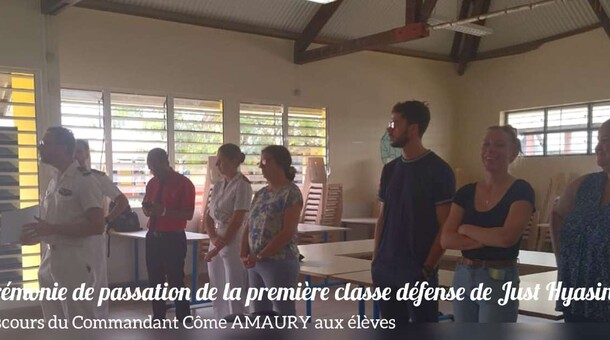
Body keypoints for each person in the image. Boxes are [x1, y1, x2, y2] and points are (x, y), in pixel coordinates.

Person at [372, 100, 455, 324]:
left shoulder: (438, 170)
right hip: (386, 268)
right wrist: (376, 259)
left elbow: (445, 226)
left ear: (413, 128)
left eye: (396, 123)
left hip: (417, 270)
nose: (390, 129)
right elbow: (382, 218)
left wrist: (428, 267)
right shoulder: (390, 170)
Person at [441, 125, 535, 322]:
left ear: (513, 152)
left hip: (499, 278)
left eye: (499, 145)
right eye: (486, 144)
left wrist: (466, 229)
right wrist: (489, 238)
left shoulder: (521, 190)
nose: (490, 150)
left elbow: (507, 238)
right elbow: (447, 239)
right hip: (464, 276)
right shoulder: (465, 192)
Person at [21, 127, 107, 320]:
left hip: (74, 260)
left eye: (45, 143)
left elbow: (97, 225)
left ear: (63, 148)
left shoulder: (84, 180)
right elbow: (54, 221)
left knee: (80, 322)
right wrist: (37, 235)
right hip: (51, 258)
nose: (39, 147)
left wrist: (52, 229)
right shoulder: (55, 181)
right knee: (54, 322)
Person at [551, 119, 610, 322]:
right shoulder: (583, 185)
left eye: (605, 140)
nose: (597, 147)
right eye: (597, 139)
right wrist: (563, 260)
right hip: (578, 295)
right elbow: (557, 215)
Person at [240, 145, 303, 315]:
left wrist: (260, 254)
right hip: (255, 262)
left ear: (280, 163)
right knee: (260, 313)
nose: (261, 165)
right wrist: (243, 254)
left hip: (279, 262)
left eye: (265, 161)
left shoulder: (291, 193)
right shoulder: (261, 193)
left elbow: (287, 232)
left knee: (283, 313)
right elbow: (249, 225)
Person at [142, 148, 195, 322]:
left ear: (165, 163)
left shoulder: (183, 183)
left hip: (173, 236)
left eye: (155, 168)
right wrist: (147, 209)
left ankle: (183, 316)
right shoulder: (152, 183)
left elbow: (188, 213)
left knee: (175, 278)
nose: (153, 172)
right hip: (153, 234)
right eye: (150, 168)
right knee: (154, 278)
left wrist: (164, 211)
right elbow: (148, 203)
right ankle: (158, 315)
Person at [202, 143, 253, 319]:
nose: (217, 165)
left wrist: (217, 247)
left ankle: (237, 325)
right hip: (216, 236)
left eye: (221, 161)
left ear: (233, 161)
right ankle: (220, 322)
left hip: (234, 238)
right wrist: (213, 238)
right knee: (217, 286)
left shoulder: (243, 185)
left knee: (234, 286)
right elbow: (208, 216)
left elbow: (237, 220)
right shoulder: (218, 185)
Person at [74, 139, 129, 225]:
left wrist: (106, 220)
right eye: (72, 152)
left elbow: (122, 201)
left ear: (86, 155)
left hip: (91, 234)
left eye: (79, 152)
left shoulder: (97, 177)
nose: (75, 155)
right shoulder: (61, 178)